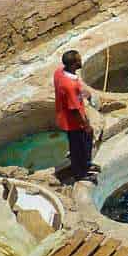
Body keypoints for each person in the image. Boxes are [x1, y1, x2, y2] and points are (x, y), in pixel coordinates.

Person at [54, 50, 99, 182]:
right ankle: (81, 173)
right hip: (73, 122)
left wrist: (82, 92)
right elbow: (74, 110)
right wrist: (86, 125)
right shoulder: (70, 85)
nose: (81, 61)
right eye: (79, 60)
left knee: (82, 143)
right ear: (73, 64)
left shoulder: (59, 72)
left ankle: (86, 164)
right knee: (80, 147)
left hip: (64, 116)